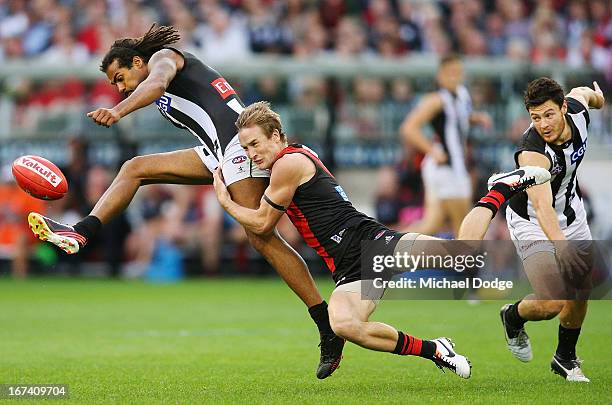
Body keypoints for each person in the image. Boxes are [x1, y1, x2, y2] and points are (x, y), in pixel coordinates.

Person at [25, 24, 343, 379]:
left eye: (120, 77)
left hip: (238, 147)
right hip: (216, 151)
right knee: (135, 168)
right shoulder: (161, 70)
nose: (119, 87)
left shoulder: (163, 59)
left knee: (261, 233)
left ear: (137, 61)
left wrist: (118, 111)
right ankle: (82, 232)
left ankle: (326, 321)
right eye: (114, 85)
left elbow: (156, 83)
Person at [213, 101, 551, 378]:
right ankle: (436, 349)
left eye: (255, 144)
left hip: (372, 243)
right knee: (344, 324)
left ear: (275, 136)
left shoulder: (288, 163)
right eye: (244, 147)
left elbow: (261, 223)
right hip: (348, 269)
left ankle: (500, 189)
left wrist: (226, 201)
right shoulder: (286, 161)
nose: (251, 154)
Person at [499, 78, 605, 382]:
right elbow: (542, 207)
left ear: (563, 108)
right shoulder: (532, 152)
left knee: (581, 290)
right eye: (535, 117)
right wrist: (561, 246)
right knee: (551, 302)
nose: (543, 124)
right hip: (531, 221)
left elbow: (584, 93)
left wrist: (598, 99)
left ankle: (565, 358)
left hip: (572, 213)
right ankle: (512, 315)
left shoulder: (578, 112)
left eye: (548, 114)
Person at [400, 54, 492, 236]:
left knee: (431, 225)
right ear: (440, 76)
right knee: (464, 227)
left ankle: (388, 252)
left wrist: (477, 118)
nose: (454, 77)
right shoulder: (436, 100)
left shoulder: (461, 95)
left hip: (447, 168)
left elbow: (459, 119)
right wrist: (431, 150)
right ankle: (468, 264)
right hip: (447, 168)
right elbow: (408, 128)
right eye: (450, 73)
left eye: (458, 73)